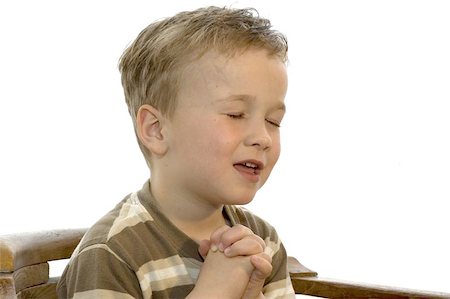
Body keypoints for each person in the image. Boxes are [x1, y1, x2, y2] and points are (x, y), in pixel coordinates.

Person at [57, 6, 295, 299]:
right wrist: (213, 292)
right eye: (236, 114)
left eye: (273, 121)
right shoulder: (112, 254)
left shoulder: (264, 242)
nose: (263, 137)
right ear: (156, 129)